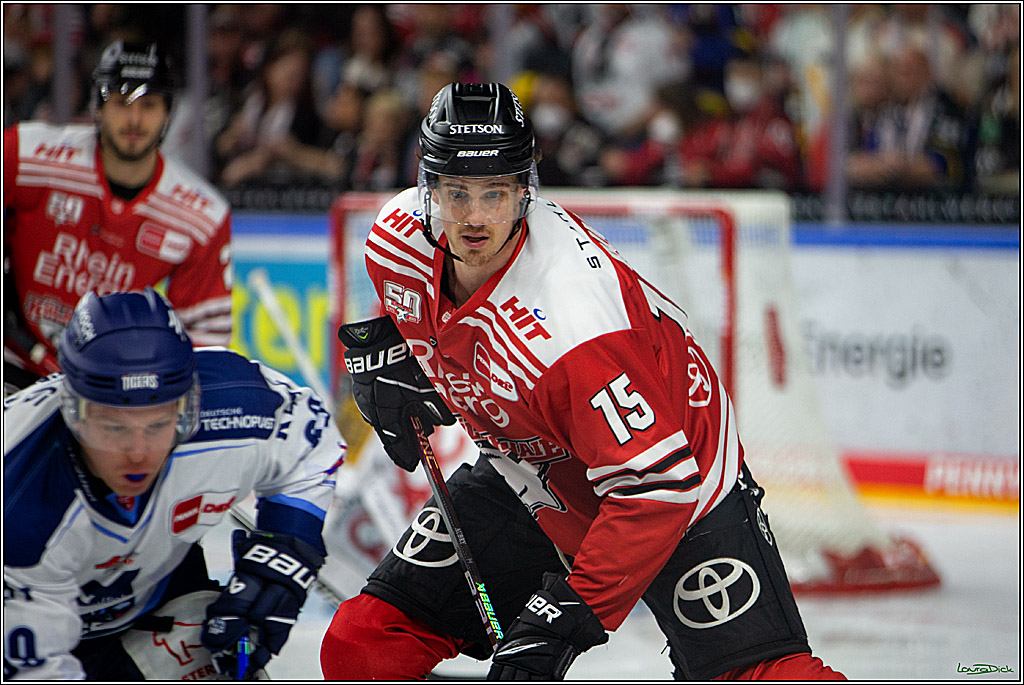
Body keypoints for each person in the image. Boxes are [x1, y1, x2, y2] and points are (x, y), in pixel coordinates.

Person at [320, 82, 845, 680]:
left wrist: (565, 617)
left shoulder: (572, 323)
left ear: (525, 191)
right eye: (456, 192)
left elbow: (656, 488)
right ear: (427, 190)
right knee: (364, 644)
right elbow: (416, 316)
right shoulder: (395, 242)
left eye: (496, 192)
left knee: (772, 676)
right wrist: (394, 358)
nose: (474, 217)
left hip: (678, 489)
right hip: (532, 475)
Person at [3, 288, 344, 679]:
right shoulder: (16, 500)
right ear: (73, 413)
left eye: (159, 424)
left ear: (189, 406)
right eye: (114, 428)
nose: (138, 453)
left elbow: (311, 440)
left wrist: (283, 550)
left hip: (159, 599)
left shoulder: (234, 403)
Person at [3, 40, 232, 394]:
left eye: (149, 105)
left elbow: (203, 349)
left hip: (103, 388)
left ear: (169, 113)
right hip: (13, 362)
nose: (135, 119)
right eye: (122, 102)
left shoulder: (202, 217)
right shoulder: (28, 155)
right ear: (97, 106)